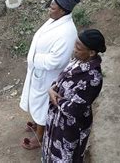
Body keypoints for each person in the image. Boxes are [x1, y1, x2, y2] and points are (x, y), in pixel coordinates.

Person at [20, 0, 81, 150]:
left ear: (62, 10)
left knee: (44, 105)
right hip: (39, 72)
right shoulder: (55, 20)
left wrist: (34, 58)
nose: (49, 9)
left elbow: (57, 61)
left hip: (49, 76)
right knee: (36, 101)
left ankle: (40, 137)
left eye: (52, 8)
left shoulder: (67, 32)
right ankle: (38, 124)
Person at [42, 29, 106, 162]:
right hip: (57, 119)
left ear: (91, 52)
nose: (74, 49)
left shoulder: (93, 78)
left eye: (78, 47)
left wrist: (55, 98)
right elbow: (62, 78)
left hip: (71, 126)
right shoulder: (78, 60)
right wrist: (52, 88)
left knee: (66, 156)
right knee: (51, 149)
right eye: (75, 44)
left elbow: (75, 109)